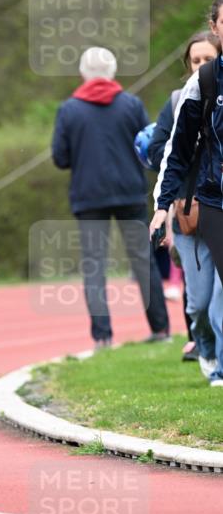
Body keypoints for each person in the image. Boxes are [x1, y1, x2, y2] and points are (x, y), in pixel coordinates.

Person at [52, 47, 170, 348]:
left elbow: (60, 158)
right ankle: (160, 330)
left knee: (94, 265)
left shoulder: (69, 110)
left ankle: (102, 337)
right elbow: (148, 148)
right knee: (143, 260)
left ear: (83, 74)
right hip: (130, 191)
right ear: (113, 72)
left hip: (89, 196)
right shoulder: (131, 105)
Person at [150, 0, 223, 386]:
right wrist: (163, 205)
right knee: (199, 303)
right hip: (201, 205)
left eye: (204, 58)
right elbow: (170, 151)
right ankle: (208, 349)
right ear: (216, 27)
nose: (200, 64)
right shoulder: (199, 88)